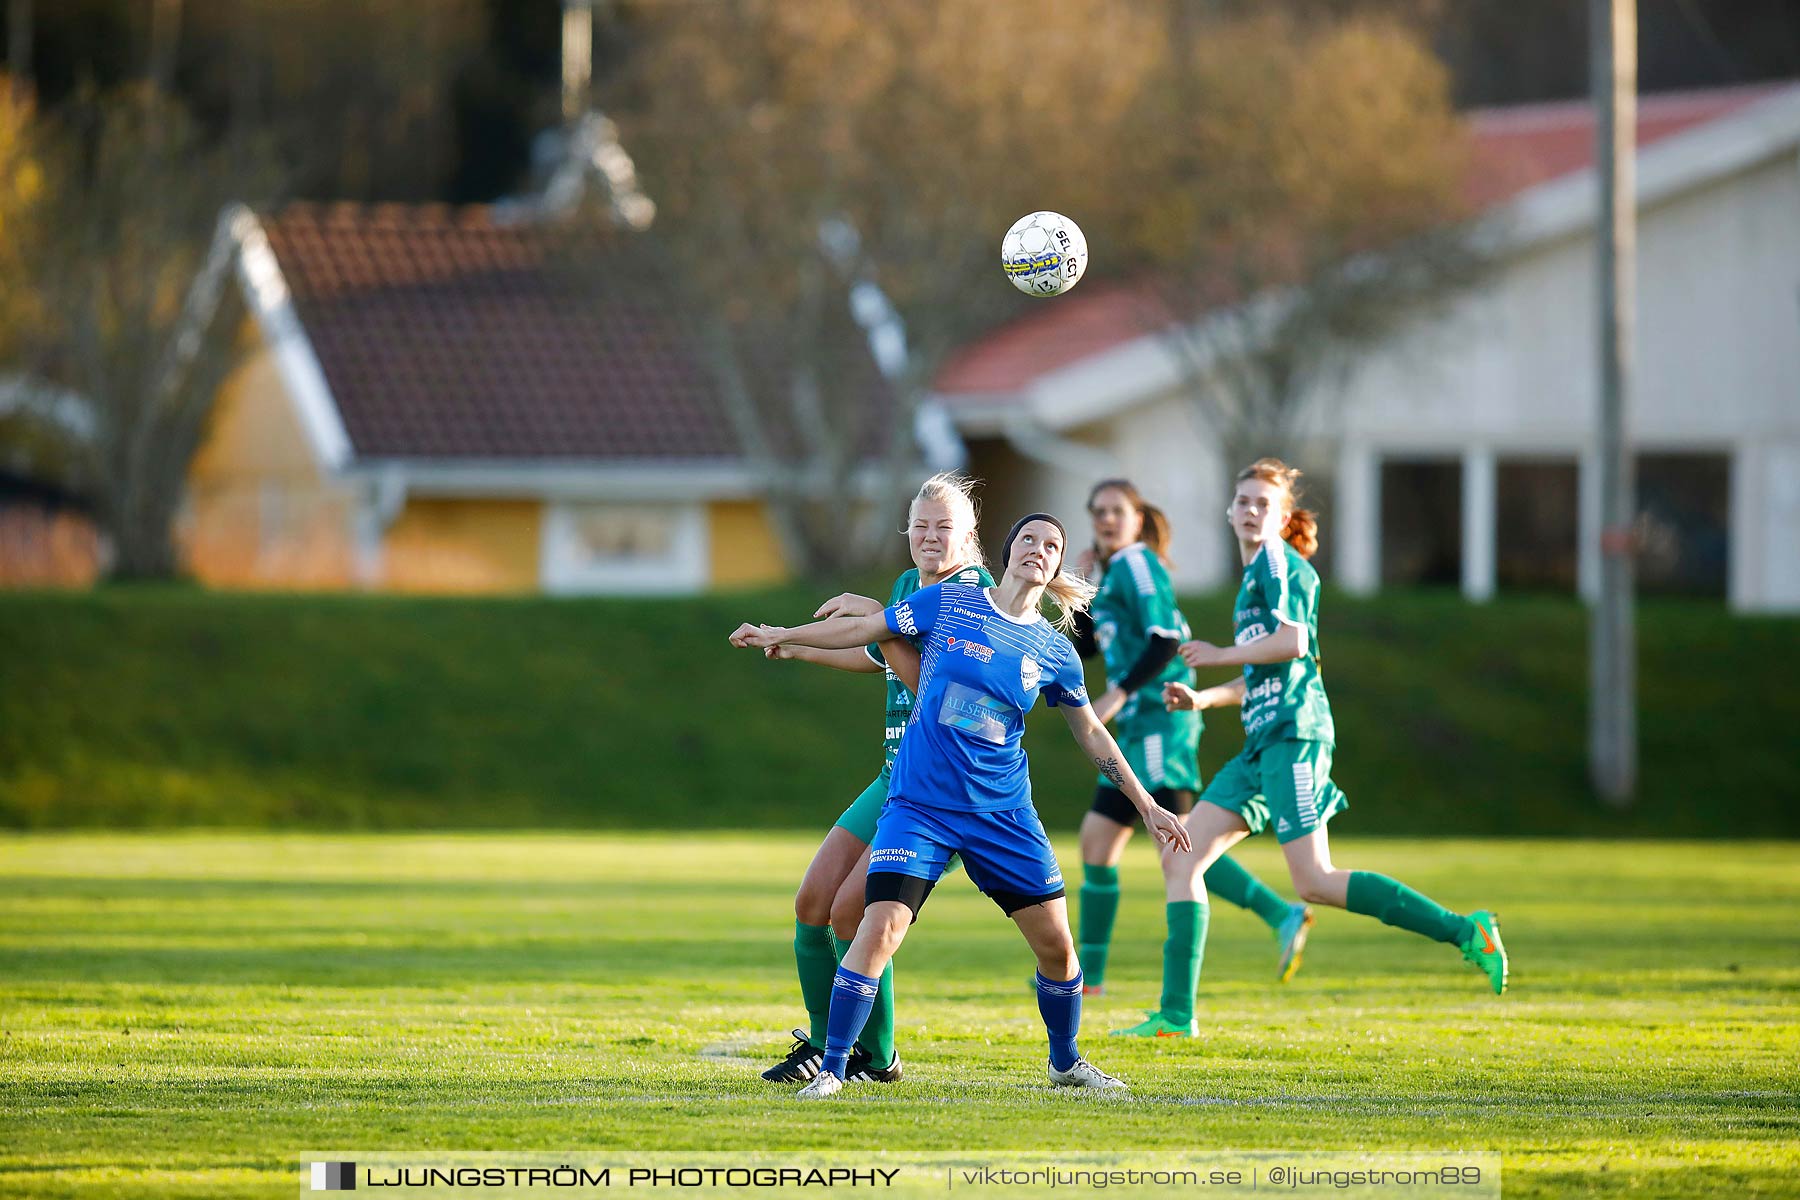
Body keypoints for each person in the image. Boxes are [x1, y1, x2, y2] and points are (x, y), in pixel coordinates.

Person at [729, 513, 1191, 1098]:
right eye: (1029, 539)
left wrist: (1146, 803)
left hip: (1003, 815)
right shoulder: (950, 601)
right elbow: (868, 629)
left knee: (1057, 946)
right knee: (879, 926)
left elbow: (1093, 732)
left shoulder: (1054, 651)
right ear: (1006, 550)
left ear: (1056, 567)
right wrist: (783, 636)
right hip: (921, 806)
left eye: (1053, 546)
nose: (1039, 550)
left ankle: (1066, 1063)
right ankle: (834, 1070)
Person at [1126, 459, 1507, 1037]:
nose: (1251, 510)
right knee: (1179, 855)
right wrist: (1204, 700)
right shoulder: (1254, 579)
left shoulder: (1284, 567)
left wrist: (1221, 653)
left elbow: (1293, 643)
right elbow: (1261, 672)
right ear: (1229, 511)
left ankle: (1465, 930)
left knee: (1315, 880)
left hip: (1296, 736)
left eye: (1264, 504)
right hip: (1261, 744)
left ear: (1282, 518)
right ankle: (1177, 1015)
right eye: (1243, 501)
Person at [757, 473, 993, 1086]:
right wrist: (790, 643)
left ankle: (878, 1057)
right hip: (894, 776)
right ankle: (818, 1042)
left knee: (851, 915)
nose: (929, 538)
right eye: (919, 527)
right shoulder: (907, 589)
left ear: (969, 537)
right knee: (812, 903)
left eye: (944, 527)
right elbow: (873, 651)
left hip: (943, 793)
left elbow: (938, 690)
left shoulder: (977, 595)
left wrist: (878, 619)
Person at [1071, 480, 1312, 1022]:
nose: (1107, 520)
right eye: (1099, 511)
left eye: (1118, 511)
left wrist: (1119, 692)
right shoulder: (1113, 572)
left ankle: (1279, 913)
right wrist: (1082, 587)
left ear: (1137, 518)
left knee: (1179, 843)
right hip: (1133, 729)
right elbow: (1087, 644)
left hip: (1161, 718)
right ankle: (1091, 978)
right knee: (1097, 842)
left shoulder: (1137, 564)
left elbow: (1163, 639)